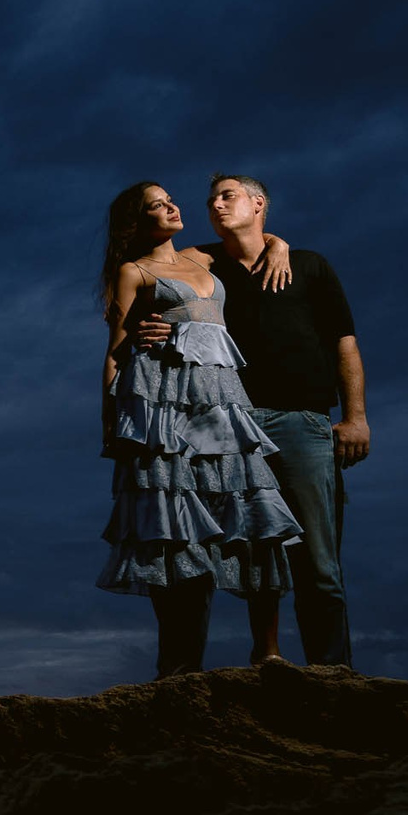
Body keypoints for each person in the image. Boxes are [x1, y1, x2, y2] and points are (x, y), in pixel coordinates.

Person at [156, 173, 367, 667]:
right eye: (211, 199)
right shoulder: (203, 266)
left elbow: (345, 344)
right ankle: (266, 654)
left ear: (258, 203)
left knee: (319, 562)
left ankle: (333, 675)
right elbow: (151, 269)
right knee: (253, 548)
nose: (215, 204)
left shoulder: (310, 266)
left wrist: (355, 416)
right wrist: (151, 323)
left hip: (303, 422)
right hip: (229, 424)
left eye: (227, 196)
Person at [95, 181, 303, 678]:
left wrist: (279, 243)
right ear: (137, 221)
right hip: (166, 408)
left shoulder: (204, 259)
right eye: (157, 205)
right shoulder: (134, 271)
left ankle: (267, 651)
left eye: (170, 199)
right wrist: (115, 426)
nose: (172, 206)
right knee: (177, 527)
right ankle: (179, 666)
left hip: (223, 402)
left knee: (252, 509)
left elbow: (254, 238)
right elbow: (116, 352)